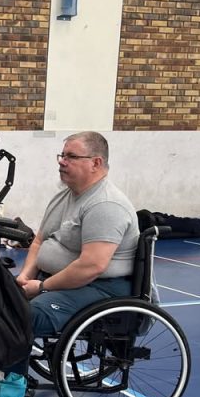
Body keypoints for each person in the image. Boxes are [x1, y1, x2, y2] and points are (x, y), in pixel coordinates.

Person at [14, 131, 139, 339]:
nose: (62, 162)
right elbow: (39, 241)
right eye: (62, 155)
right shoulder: (63, 196)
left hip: (101, 287)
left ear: (96, 163)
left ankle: (9, 362)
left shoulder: (106, 205)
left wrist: (42, 287)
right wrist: (25, 277)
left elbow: (91, 266)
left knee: (24, 315)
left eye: (71, 156)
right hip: (59, 280)